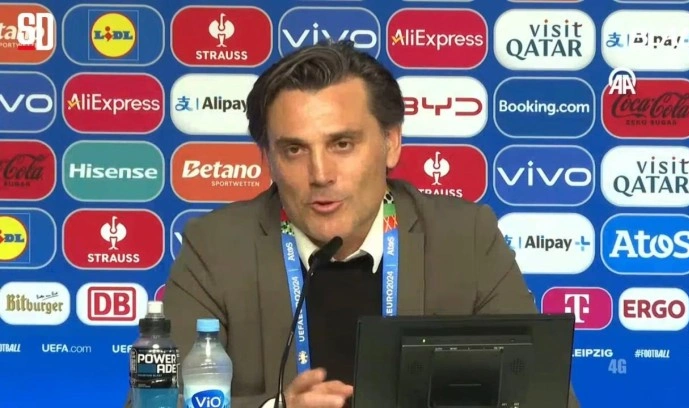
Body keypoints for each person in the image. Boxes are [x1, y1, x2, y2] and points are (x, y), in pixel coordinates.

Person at [124, 40, 579, 408]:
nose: (320, 174)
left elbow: (546, 397)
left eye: (342, 144)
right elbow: (151, 402)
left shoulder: (466, 237)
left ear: (391, 143)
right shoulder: (216, 247)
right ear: (267, 159)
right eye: (294, 150)